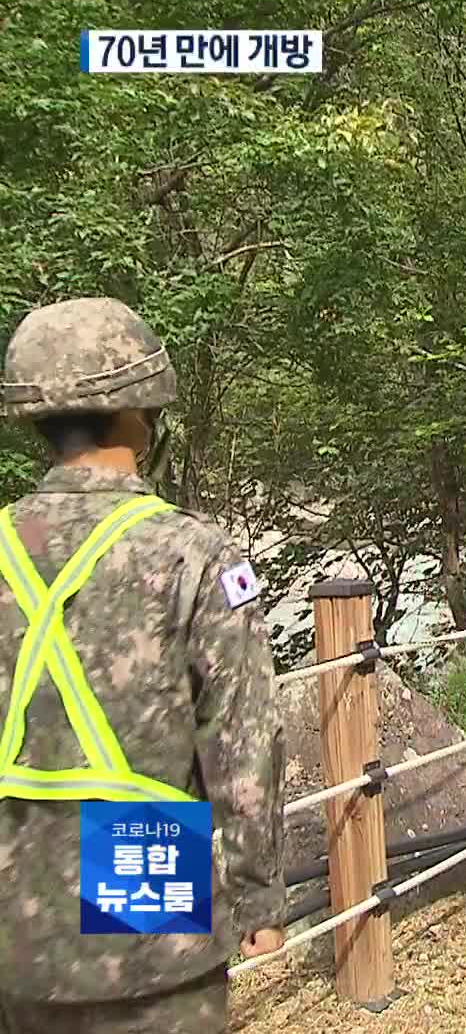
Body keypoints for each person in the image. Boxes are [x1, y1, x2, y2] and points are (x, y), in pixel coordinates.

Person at [0, 298, 285, 1033]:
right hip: (143, 862)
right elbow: (244, 740)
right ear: (140, 414)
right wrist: (256, 897)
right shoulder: (190, 551)